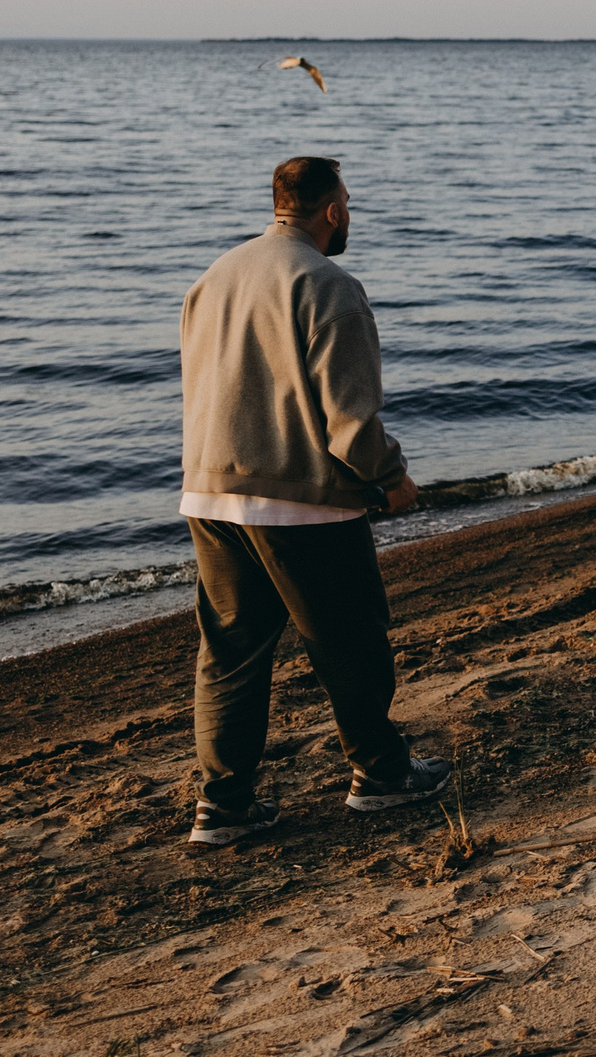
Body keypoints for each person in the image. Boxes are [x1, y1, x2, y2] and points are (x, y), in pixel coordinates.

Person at [177, 155, 450, 845]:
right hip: (302, 501)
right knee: (349, 640)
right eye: (348, 203)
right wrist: (391, 478)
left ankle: (223, 804)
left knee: (231, 652)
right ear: (331, 210)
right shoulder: (330, 285)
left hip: (211, 491)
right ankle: (381, 773)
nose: (349, 215)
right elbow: (350, 421)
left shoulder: (212, 279)